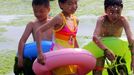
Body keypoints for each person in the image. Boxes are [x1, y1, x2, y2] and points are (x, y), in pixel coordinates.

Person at [35, 0, 79, 75]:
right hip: (59, 57)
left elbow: (73, 38)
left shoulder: (76, 20)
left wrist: (79, 53)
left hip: (70, 56)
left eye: (75, 3)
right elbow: (38, 31)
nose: (74, 6)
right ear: (61, 4)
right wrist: (40, 53)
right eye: (69, 3)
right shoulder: (59, 18)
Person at [92, 0, 134, 75]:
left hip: (116, 48)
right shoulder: (101, 20)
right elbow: (95, 37)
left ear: (122, 10)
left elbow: (131, 39)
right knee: (98, 68)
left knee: (121, 70)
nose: (115, 16)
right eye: (111, 12)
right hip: (101, 47)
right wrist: (106, 50)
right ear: (105, 10)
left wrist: (133, 57)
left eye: (118, 12)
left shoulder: (123, 20)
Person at [13, 0, 53, 75]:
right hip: (37, 55)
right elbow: (22, 41)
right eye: (35, 11)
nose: (38, 14)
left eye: (41, 11)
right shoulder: (32, 24)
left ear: (48, 9)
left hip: (51, 54)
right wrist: (20, 57)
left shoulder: (53, 23)